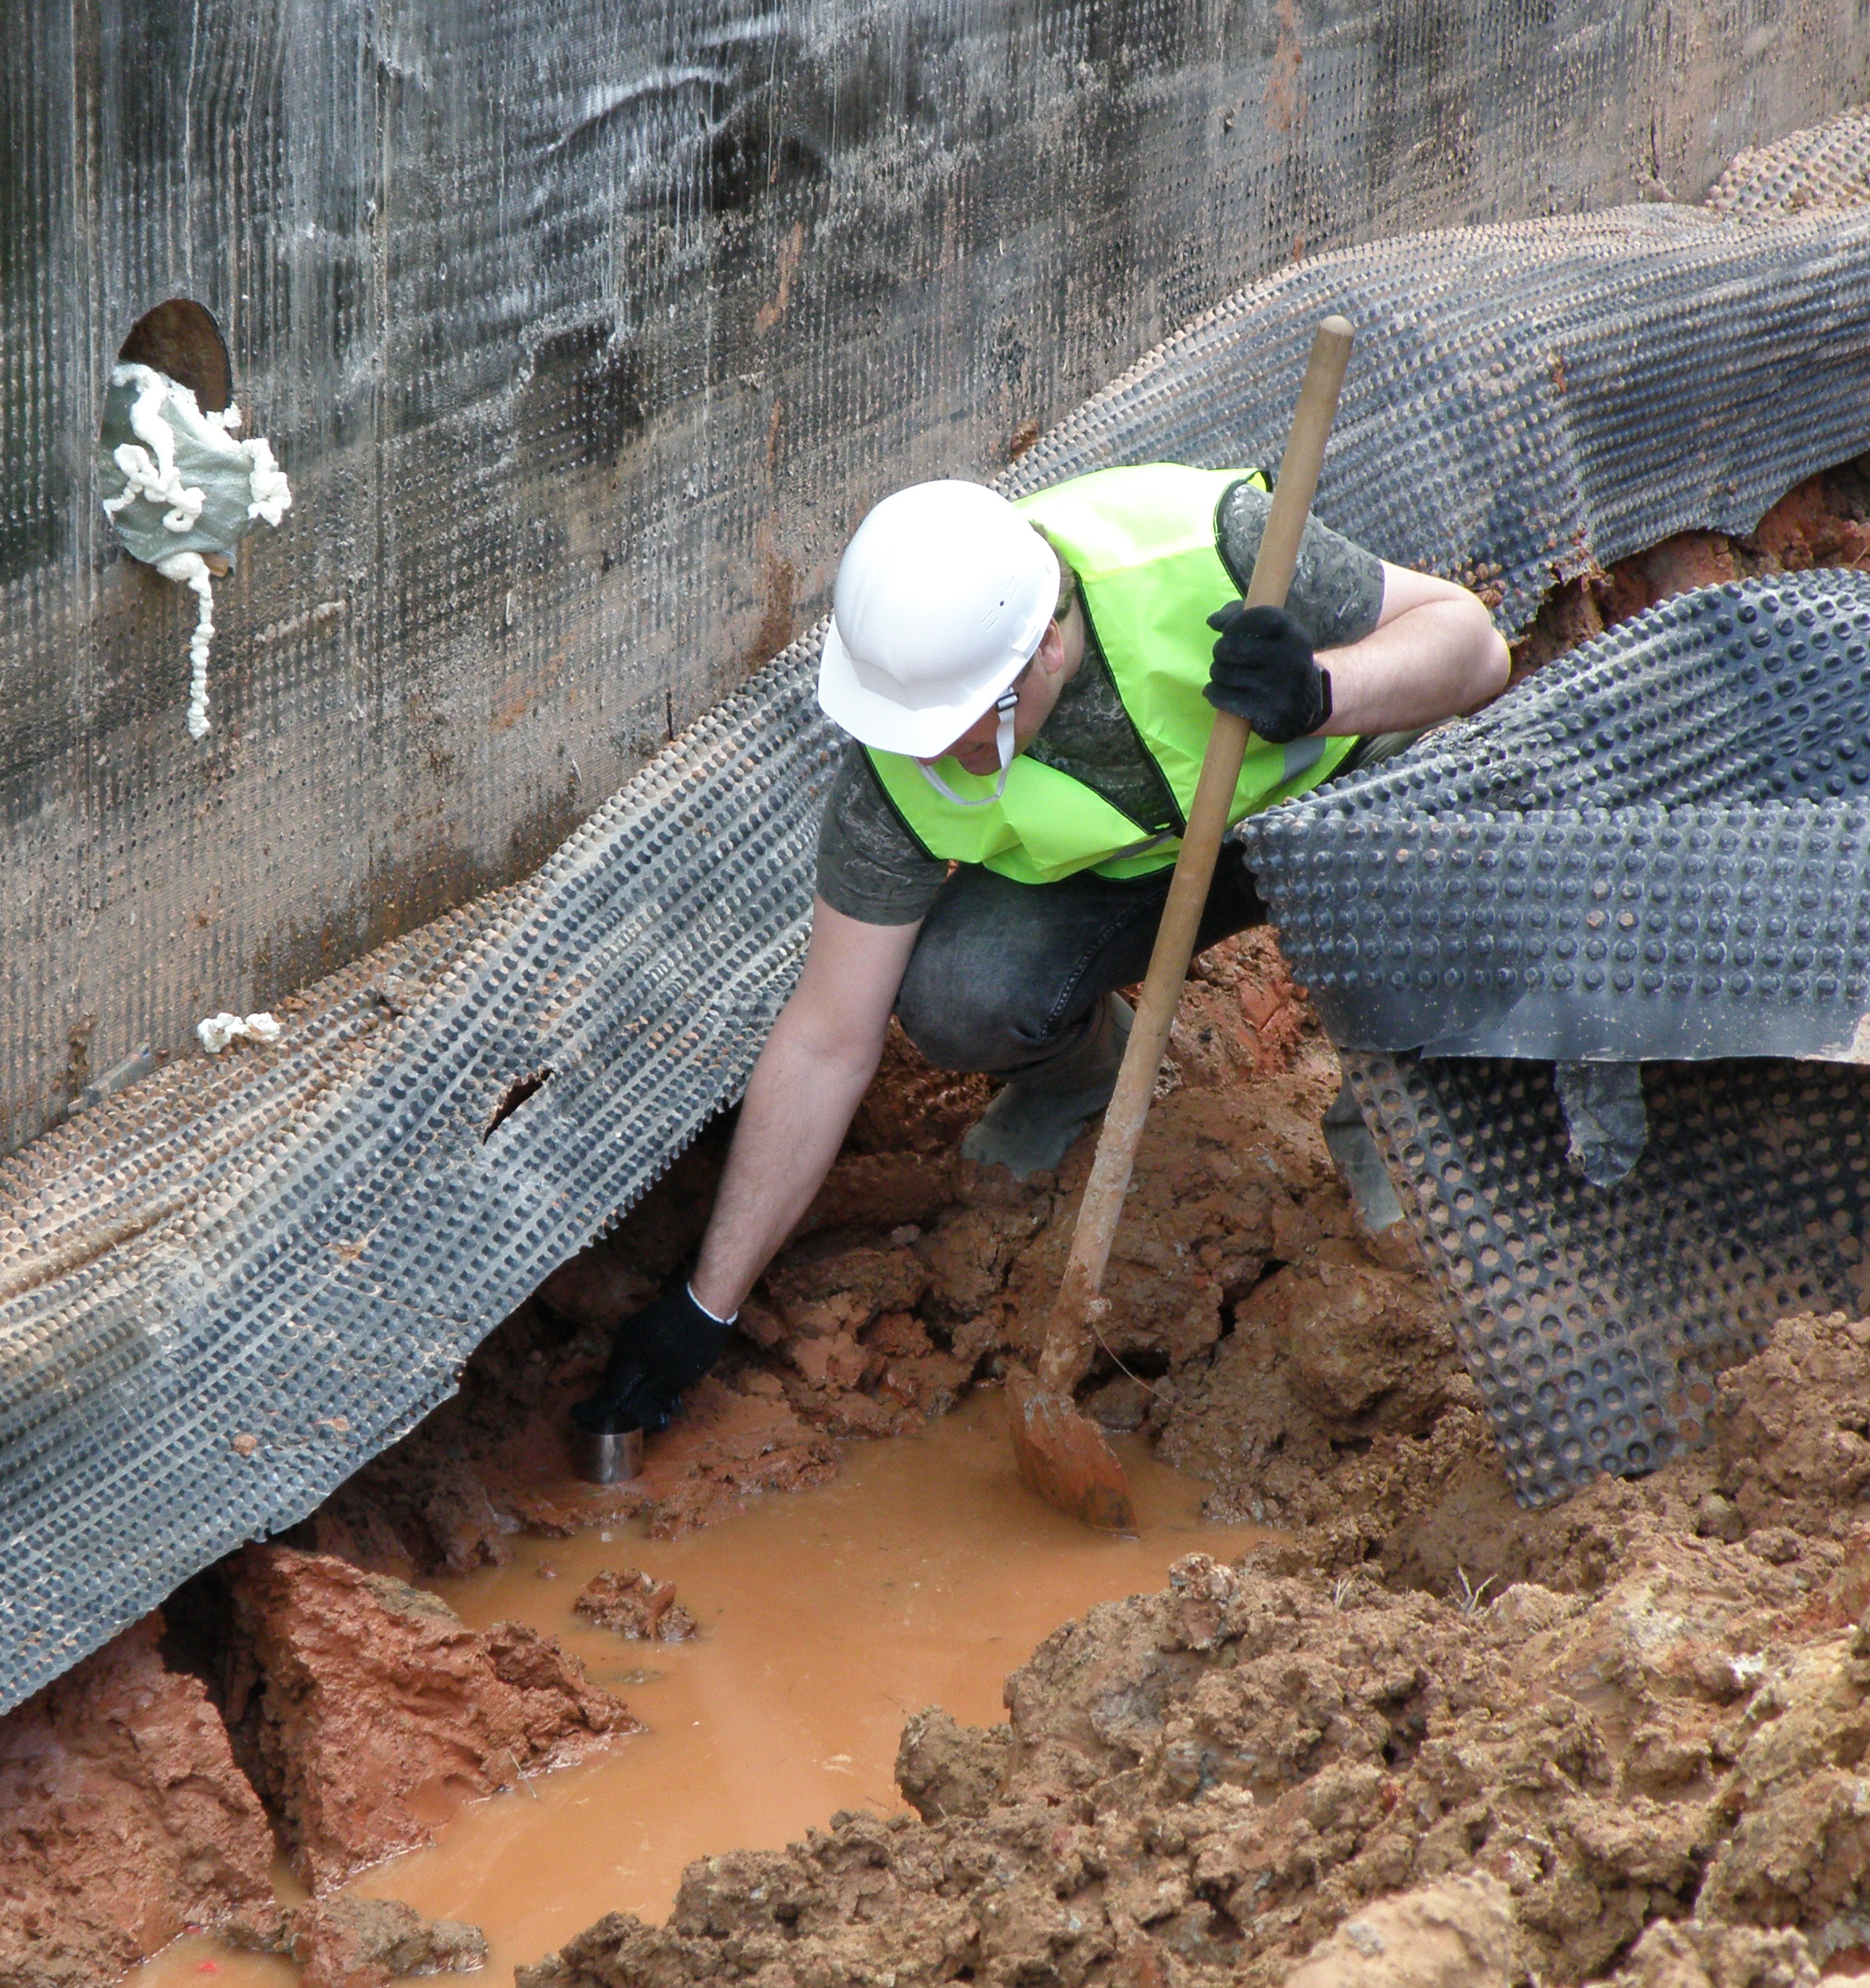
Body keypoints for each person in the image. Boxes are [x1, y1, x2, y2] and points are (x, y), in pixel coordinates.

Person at [583, 460, 1509, 1432]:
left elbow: (1475, 652)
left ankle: (1393, 1118)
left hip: (1335, 814)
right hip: (1144, 877)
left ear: (1047, 652)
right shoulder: (895, 759)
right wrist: (703, 1307)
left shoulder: (1201, 544)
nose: (928, 756)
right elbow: (826, 1039)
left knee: (1463, 819)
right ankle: (1080, 1076)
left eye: (957, 729)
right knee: (955, 994)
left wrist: (1322, 688)